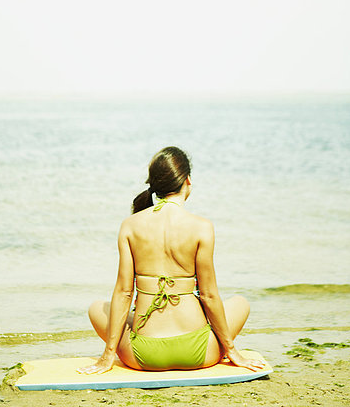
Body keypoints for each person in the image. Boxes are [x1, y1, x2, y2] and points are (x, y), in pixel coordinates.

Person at [78, 146, 265, 374]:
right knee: (240, 303)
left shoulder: (130, 225)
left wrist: (108, 356)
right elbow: (208, 295)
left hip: (142, 356)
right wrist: (232, 351)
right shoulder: (202, 227)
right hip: (200, 353)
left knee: (97, 308)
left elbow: (124, 293)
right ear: (187, 180)